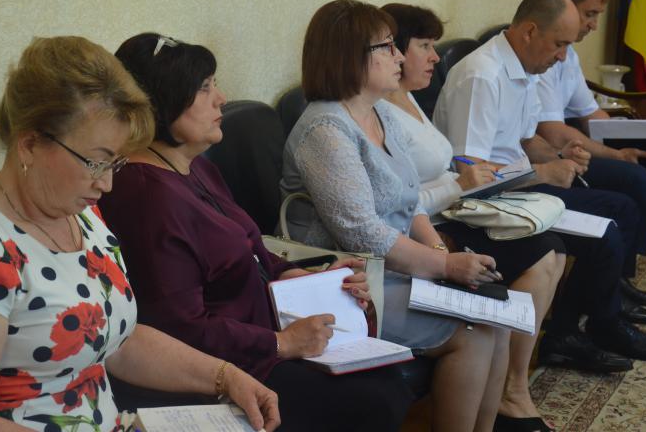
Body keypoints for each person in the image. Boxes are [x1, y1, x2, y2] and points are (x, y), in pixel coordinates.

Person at [0, 37, 279, 432]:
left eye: (116, 163)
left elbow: (120, 343)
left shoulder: (83, 215)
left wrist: (225, 376)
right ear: (30, 144)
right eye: (96, 162)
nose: (107, 183)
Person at [98, 33, 413, 432]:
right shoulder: (146, 196)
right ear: (162, 102)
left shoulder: (194, 166)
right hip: (227, 366)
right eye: (204, 88)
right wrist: (281, 344)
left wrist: (302, 277)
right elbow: (179, 328)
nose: (222, 98)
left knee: (386, 377)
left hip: (262, 335)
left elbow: (249, 247)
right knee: (372, 398)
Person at [281, 0, 510, 432]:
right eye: (387, 47)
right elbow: (362, 233)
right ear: (350, 56)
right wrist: (445, 266)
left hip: (393, 271)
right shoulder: (325, 130)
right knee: (474, 333)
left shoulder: (382, 111)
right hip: (349, 283)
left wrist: (440, 255)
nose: (400, 56)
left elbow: (410, 198)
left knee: (496, 320)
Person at [433, 0, 646, 373]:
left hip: (514, 188)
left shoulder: (526, 68)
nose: (563, 56)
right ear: (530, 31)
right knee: (606, 232)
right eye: (559, 44)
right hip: (483, 206)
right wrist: (542, 173)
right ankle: (581, 331)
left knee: (623, 208)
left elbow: (526, 139)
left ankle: (583, 326)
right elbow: (469, 171)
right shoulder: (481, 76)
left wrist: (559, 157)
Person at [382, 3, 567, 432]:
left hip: (448, 213)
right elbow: (401, 204)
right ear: (394, 51)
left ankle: (514, 389)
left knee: (554, 248)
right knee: (542, 255)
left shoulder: (407, 99)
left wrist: (468, 182)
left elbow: (434, 176)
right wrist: (457, 190)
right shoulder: (381, 112)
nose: (435, 57)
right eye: (424, 46)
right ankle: (511, 394)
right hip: (434, 224)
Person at [544, 0, 646, 310]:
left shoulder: (568, 54)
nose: (594, 25)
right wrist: (616, 154)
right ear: (565, 4)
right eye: (590, 14)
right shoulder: (543, 53)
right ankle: (613, 282)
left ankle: (621, 272)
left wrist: (635, 138)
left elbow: (590, 112)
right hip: (554, 151)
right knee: (634, 177)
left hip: (569, 141)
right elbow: (551, 132)